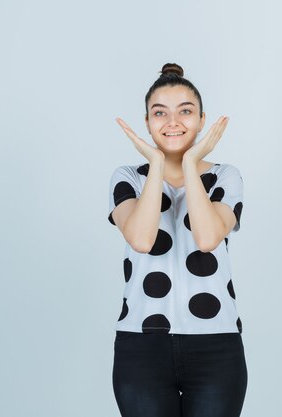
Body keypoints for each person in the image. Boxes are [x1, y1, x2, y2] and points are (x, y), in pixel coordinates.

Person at [107, 63, 247, 417]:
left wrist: (189, 164)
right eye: (160, 113)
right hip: (141, 344)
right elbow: (141, 238)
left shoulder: (224, 177)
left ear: (202, 119)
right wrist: (156, 163)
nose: (173, 121)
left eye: (185, 111)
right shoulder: (128, 178)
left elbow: (207, 237)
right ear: (147, 121)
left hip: (216, 345)